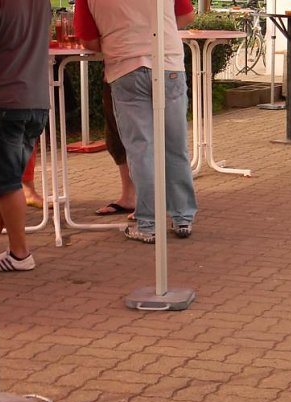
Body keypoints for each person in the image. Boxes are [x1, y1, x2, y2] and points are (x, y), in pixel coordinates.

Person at [75, 0, 198, 243]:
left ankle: (148, 223)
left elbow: (88, 41)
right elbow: (186, 16)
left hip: (125, 66)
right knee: (175, 145)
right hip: (168, 62)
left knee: (141, 150)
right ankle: (182, 216)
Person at [0, 0, 51, 272]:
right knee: (2, 181)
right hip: (35, 100)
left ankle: (20, 253)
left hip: (1, 101)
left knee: (5, 184)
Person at [94, 81, 136, 216]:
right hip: (116, 76)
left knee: (140, 137)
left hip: (132, 75)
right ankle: (130, 197)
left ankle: (148, 202)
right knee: (116, 136)